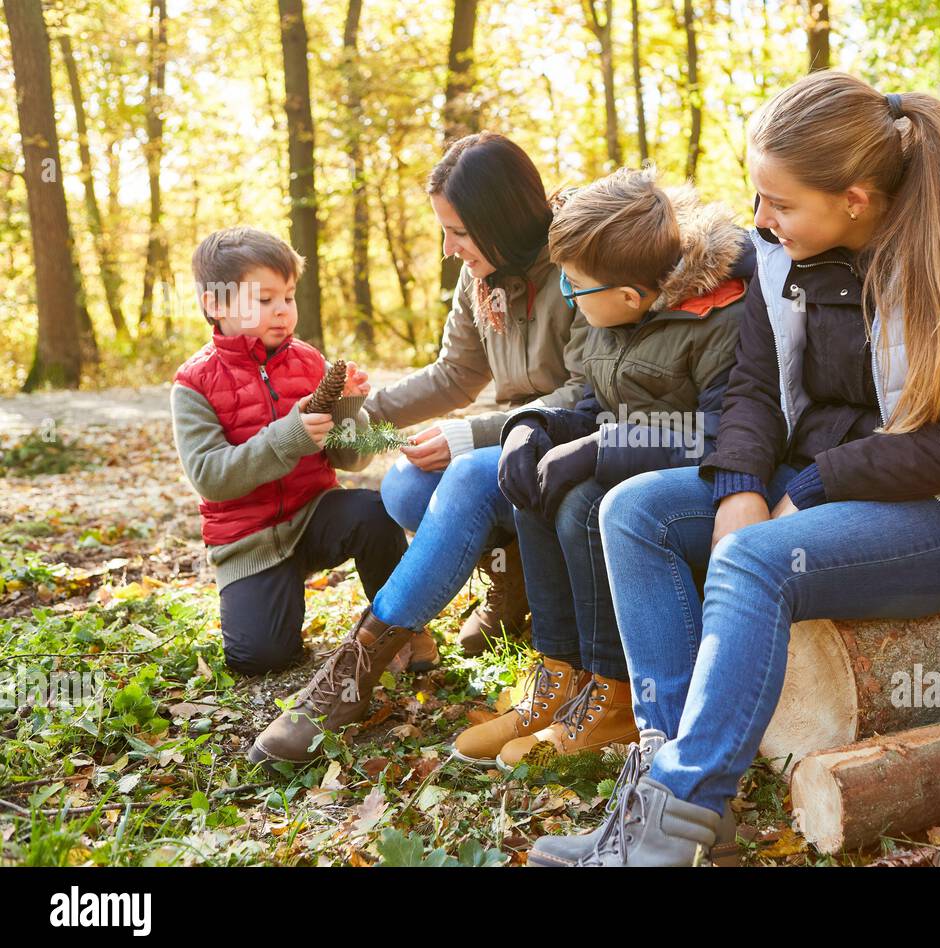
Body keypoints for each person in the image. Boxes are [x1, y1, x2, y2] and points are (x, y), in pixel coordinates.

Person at [530, 71, 940, 866]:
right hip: (812, 483)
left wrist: (806, 487)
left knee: (756, 559)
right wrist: (741, 485)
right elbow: (751, 390)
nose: (759, 222)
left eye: (779, 203)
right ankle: (663, 789)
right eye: (757, 197)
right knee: (633, 511)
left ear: (854, 199)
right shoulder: (779, 255)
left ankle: (678, 822)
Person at [249, 133, 589, 765]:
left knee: (462, 480)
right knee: (404, 485)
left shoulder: (581, 261)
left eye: (457, 232)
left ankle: (353, 672)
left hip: (573, 444)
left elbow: (589, 392)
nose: (447, 249)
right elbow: (454, 375)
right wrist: (362, 417)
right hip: (516, 448)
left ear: (501, 219)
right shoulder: (478, 278)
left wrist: (471, 436)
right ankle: (510, 581)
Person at [451, 167, 751, 773]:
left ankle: (613, 694)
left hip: (704, 482)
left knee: (583, 503)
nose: (566, 294)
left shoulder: (719, 318)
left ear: (633, 297)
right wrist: (532, 427)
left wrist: (600, 449)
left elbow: (720, 431)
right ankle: (560, 676)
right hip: (632, 459)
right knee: (534, 485)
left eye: (576, 286)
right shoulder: (605, 314)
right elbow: (589, 398)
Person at [171, 226, 407, 681]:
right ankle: (271, 595)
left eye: (289, 297)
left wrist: (347, 409)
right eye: (264, 300)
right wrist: (288, 437)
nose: (282, 311)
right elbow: (210, 476)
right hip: (249, 538)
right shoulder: (194, 383)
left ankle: (398, 627)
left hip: (313, 516)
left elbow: (353, 460)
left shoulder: (309, 362)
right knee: (261, 658)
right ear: (215, 304)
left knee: (376, 511)